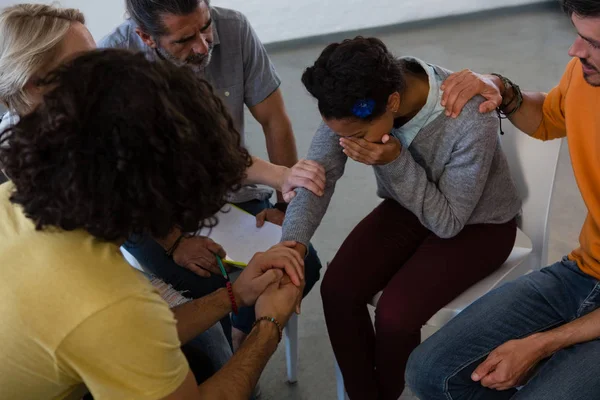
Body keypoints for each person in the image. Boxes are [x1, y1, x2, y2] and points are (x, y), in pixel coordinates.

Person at [0, 47, 306, 400]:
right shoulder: (108, 303)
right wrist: (268, 326)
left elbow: (125, 335)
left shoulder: (14, 198)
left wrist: (234, 296)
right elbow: (119, 323)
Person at [280, 36, 522, 400]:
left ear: (392, 102)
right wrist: (292, 246)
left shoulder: (470, 118)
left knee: (395, 316)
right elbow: (319, 174)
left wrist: (394, 161)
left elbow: (448, 222)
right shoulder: (358, 96)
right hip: (410, 207)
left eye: (358, 136)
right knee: (337, 290)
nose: (347, 142)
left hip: (479, 225)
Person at [99, 0, 323, 348]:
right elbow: (121, 178)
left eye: (205, 27)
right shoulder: (113, 63)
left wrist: (284, 204)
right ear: (146, 37)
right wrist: (173, 240)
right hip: (151, 210)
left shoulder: (233, 28)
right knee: (208, 288)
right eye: (185, 39)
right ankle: (230, 355)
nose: (204, 45)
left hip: (226, 193)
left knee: (301, 261)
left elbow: (272, 121)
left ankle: (240, 340)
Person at [405, 1, 600, 399]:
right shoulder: (586, 75)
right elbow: (547, 118)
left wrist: (543, 344)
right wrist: (501, 88)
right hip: (585, 271)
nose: (575, 51)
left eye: (594, 43)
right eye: (577, 35)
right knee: (430, 372)